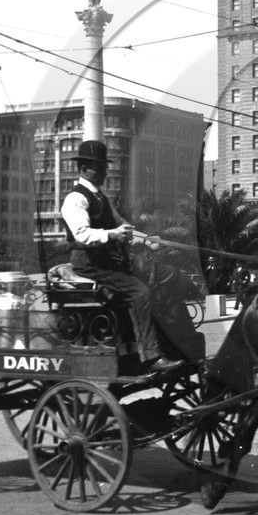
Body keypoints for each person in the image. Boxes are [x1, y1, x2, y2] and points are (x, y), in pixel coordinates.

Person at [60, 140, 203, 375]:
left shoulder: (101, 198)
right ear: (84, 169)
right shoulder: (75, 199)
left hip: (113, 262)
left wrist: (145, 240)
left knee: (167, 274)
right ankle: (151, 356)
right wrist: (114, 235)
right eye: (99, 167)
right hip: (91, 266)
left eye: (104, 166)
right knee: (140, 292)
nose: (105, 171)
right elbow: (83, 235)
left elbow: (123, 226)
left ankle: (178, 342)